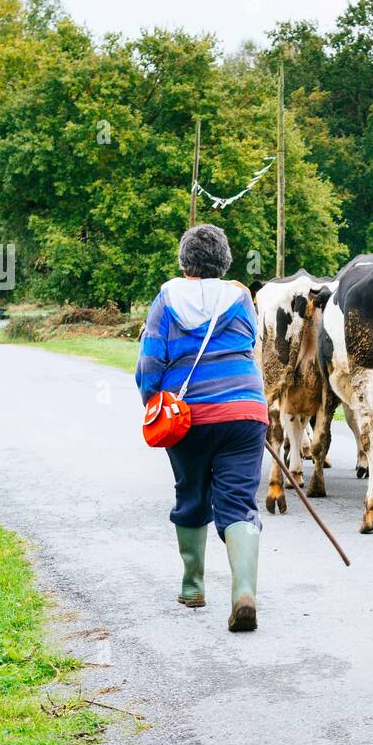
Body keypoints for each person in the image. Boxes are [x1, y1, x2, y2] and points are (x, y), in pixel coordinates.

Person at [136, 224, 268, 632]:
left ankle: (193, 586)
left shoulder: (166, 297)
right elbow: (251, 344)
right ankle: (244, 592)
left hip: (188, 416)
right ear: (225, 261)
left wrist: (152, 401)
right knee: (239, 502)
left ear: (184, 261)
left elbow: (151, 359)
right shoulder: (242, 297)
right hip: (246, 411)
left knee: (191, 493)